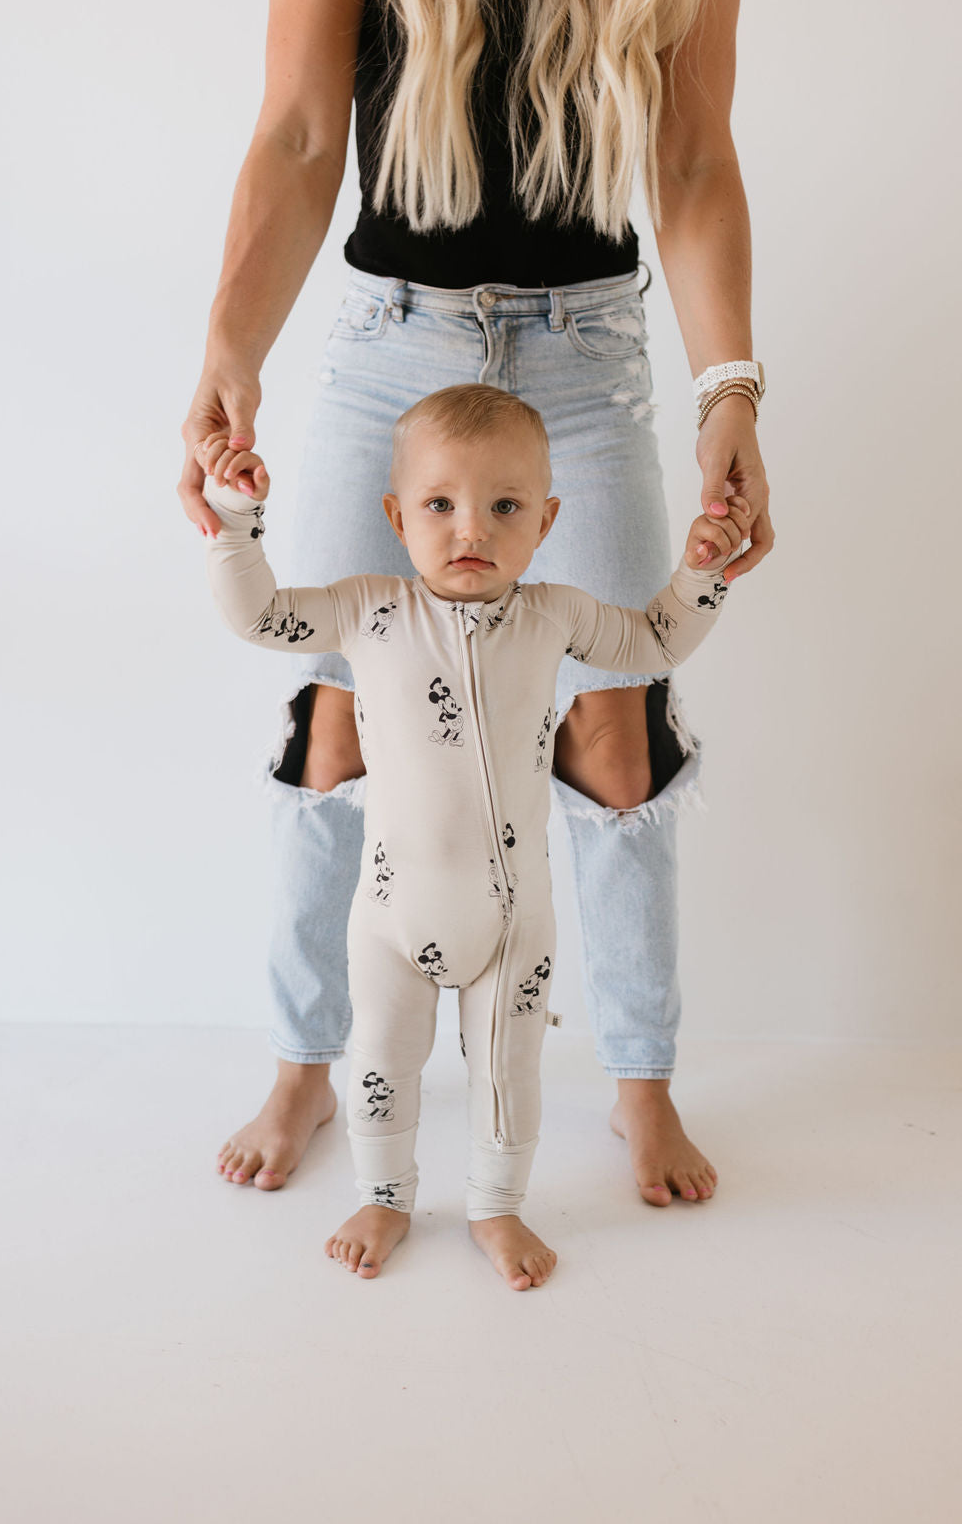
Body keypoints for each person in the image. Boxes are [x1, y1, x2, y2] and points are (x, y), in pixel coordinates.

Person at [178, 0, 773, 1207]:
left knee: (620, 728)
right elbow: (298, 134)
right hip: (392, 337)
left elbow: (694, 151)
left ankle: (640, 1081)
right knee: (335, 715)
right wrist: (228, 352)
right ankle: (307, 1066)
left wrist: (730, 392)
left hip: (587, 351)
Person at [198, 383, 748, 1286]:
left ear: (547, 519)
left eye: (505, 508)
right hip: (387, 919)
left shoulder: (556, 616)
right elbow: (257, 615)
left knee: (508, 1074)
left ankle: (497, 1207)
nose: (472, 532)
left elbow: (654, 641)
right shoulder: (365, 610)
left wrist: (703, 571)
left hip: (511, 927)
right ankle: (385, 1194)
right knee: (382, 1064)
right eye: (441, 505)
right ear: (395, 513)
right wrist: (235, 517)